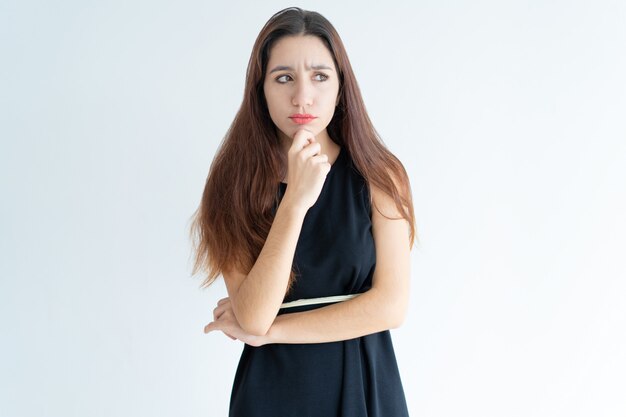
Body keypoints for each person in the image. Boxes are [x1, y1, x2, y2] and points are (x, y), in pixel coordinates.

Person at [189, 6, 417, 416]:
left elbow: (391, 306)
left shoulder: (381, 177)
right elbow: (254, 315)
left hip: (364, 388)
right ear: (261, 88)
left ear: (340, 86)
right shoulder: (232, 186)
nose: (302, 96)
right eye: (284, 78)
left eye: (319, 76)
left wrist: (272, 332)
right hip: (272, 394)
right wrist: (295, 201)